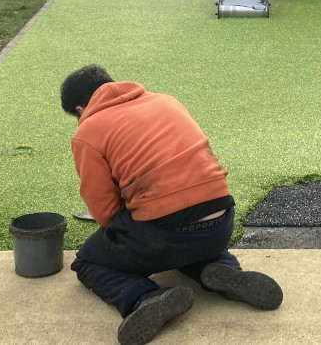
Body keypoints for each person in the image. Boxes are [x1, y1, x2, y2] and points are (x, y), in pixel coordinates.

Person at [60, 65, 283, 345]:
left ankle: (145, 296)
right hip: (220, 221)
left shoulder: (88, 131)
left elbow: (105, 212)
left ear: (81, 110)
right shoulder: (165, 100)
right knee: (187, 236)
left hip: (163, 234)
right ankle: (221, 269)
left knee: (88, 261)